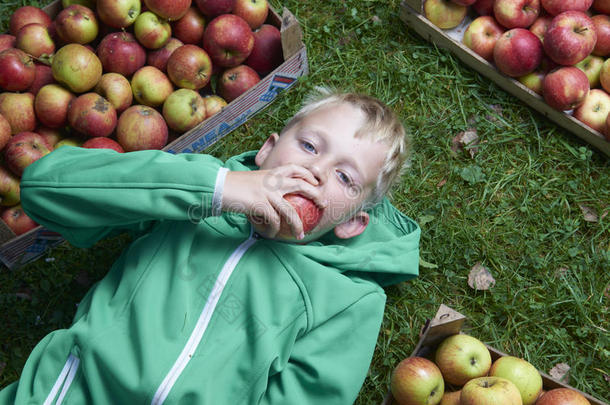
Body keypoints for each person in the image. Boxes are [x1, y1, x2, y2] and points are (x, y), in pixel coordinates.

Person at [0, 87, 420, 404]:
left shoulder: (350, 299)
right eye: (309, 146)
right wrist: (219, 189)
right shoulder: (190, 196)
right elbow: (43, 188)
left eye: (345, 178)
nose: (316, 171)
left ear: (352, 223)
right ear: (267, 150)